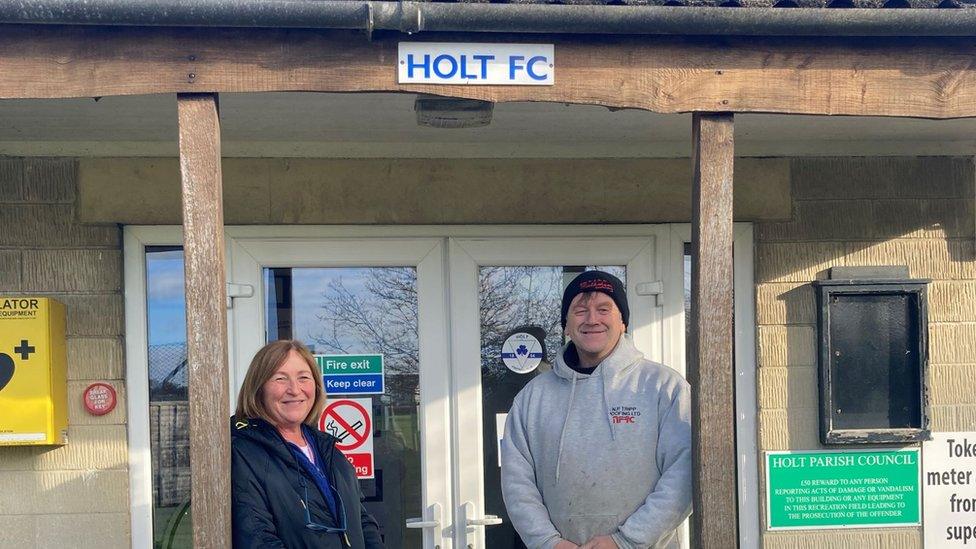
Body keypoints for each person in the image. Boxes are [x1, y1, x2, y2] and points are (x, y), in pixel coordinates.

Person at [501, 270, 692, 549]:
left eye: (604, 309)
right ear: (566, 325)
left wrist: (625, 541)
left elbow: (684, 474)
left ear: (623, 321)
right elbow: (517, 482)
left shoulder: (664, 387)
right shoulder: (533, 398)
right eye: (580, 310)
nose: (592, 319)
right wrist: (548, 542)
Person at [231, 339, 385, 548]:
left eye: (303, 377)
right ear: (259, 389)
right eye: (280, 378)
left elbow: (362, 520)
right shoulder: (244, 452)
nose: (294, 389)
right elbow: (257, 538)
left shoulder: (326, 448)